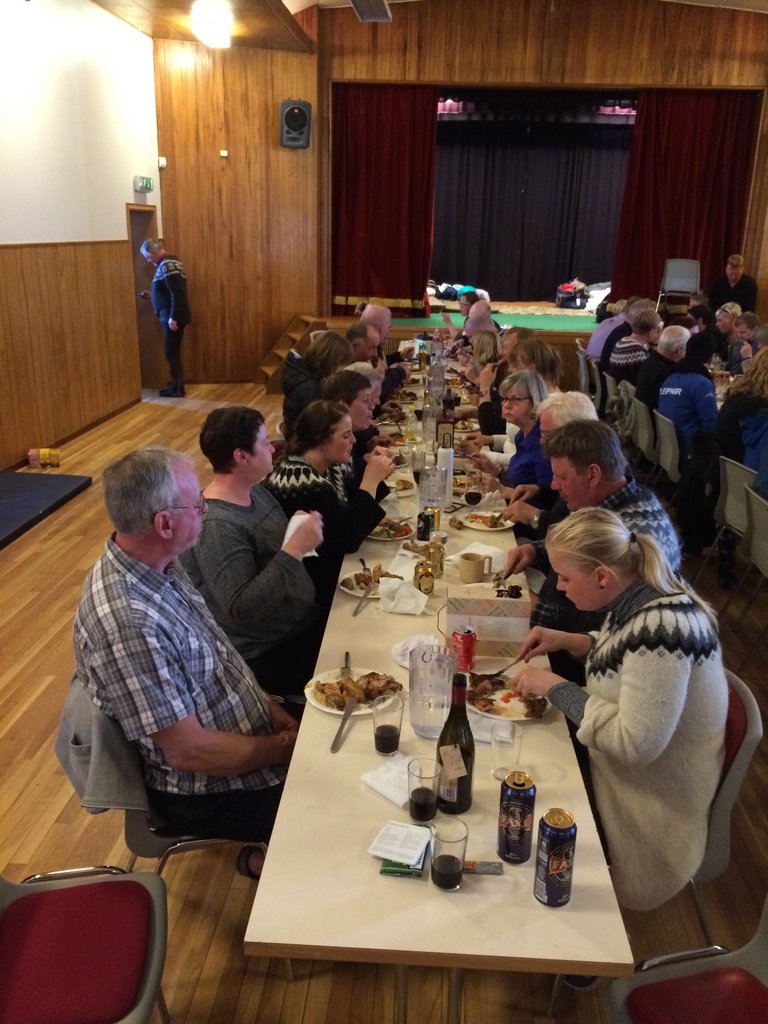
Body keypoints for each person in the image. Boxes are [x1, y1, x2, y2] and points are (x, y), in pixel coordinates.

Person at [72, 447, 298, 880]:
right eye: (198, 504)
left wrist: (273, 712)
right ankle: (275, 865)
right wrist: (282, 749)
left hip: (241, 741)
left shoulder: (158, 564)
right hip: (203, 790)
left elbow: (222, 658)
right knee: (341, 806)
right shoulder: (129, 623)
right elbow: (188, 751)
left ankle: (273, 858)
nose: (206, 509)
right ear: (164, 523)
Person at [513, 507, 727, 912]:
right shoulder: (639, 598)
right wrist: (573, 641)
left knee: (520, 783)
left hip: (651, 807)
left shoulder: (663, 631)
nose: (559, 587)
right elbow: (626, 657)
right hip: (627, 770)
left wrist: (556, 686)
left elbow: (634, 744)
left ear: (601, 576)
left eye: (565, 578)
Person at [502, 419, 680, 682]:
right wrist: (536, 551)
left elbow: (611, 626)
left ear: (593, 474)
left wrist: (539, 608)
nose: (554, 485)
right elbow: (583, 551)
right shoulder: (619, 499)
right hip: (563, 643)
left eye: (562, 477)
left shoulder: (634, 532)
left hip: (591, 671)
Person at [179, 407, 324, 707]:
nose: (273, 448)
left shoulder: (255, 492)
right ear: (241, 456)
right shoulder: (217, 526)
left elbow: (271, 560)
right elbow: (242, 609)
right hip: (268, 651)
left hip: (299, 626)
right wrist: (294, 549)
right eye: (264, 442)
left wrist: (295, 533)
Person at [264, 400, 393, 616]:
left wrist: (370, 468)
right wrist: (370, 480)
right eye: (346, 435)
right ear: (322, 441)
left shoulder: (325, 466)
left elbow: (351, 507)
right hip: (314, 593)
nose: (354, 440)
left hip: (329, 572)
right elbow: (347, 539)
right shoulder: (304, 482)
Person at [472, 371, 554, 509]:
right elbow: (521, 481)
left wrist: (502, 490)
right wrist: (496, 471)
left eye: (515, 399)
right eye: (504, 399)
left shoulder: (542, 441)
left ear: (535, 401)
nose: (506, 405)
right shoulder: (521, 435)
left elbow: (548, 498)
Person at [138, 239, 191, 398]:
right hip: (171, 315)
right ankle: (176, 383)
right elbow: (168, 291)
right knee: (172, 351)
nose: (148, 260)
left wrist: (173, 317)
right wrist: (152, 295)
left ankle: (177, 388)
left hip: (172, 317)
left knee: (171, 352)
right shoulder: (171, 262)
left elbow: (177, 293)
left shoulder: (168, 265)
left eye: (148, 257)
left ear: (154, 252)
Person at [281, 330, 353, 440]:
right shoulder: (309, 388)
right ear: (330, 360)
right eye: (342, 363)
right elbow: (318, 431)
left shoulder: (310, 378)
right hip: (305, 445)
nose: (343, 369)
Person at [657, 333, 718, 459]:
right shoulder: (701, 383)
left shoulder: (670, 377)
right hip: (690, 449)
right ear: (710, 357)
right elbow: (710, 424)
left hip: (668, 446)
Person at [635, 323, 689, 411]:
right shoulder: (666, 372)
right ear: (679, 350)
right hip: (656, 417)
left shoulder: (650, 361)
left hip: (643, 414)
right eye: (686, 348)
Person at [608, 305, 659, 385]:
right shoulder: (638, 352)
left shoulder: (621, 341)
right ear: (651, 332)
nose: (657, 335)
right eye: (657, 330)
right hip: (627, 392)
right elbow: (647, 382)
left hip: (620, 389)